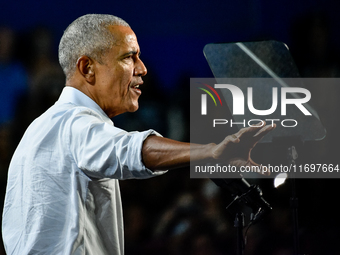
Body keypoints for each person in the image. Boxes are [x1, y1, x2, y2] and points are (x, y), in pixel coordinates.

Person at [2, 14, 275, 255]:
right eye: (129, 57)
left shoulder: (43, 128)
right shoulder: (73, 123)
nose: (142, 68)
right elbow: (129, 149)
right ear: (87, 68)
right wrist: (211, 151)